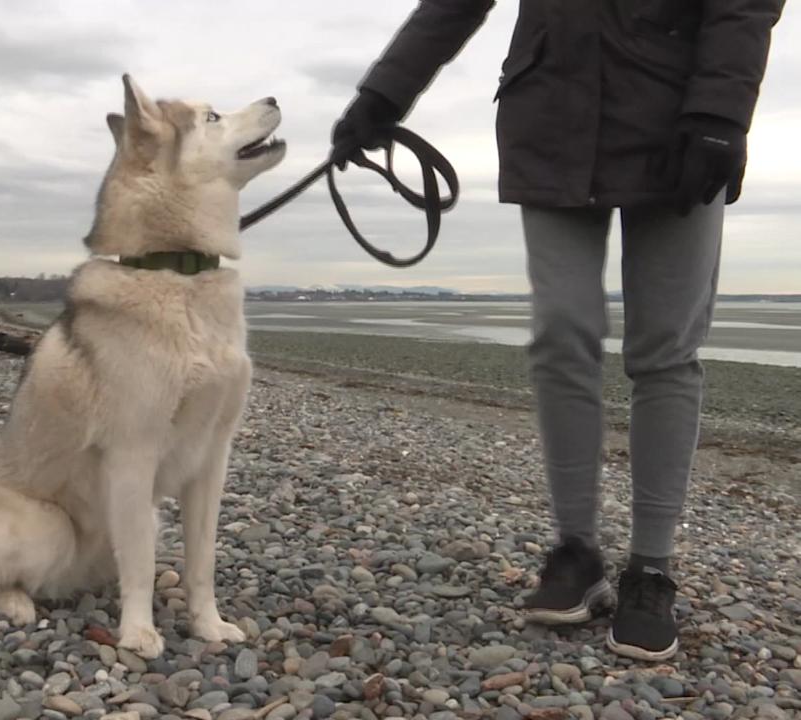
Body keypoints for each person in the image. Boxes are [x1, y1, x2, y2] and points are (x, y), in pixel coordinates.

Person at [330, 0, 784, 661]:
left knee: (664, 348)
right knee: (560, 332)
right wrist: (383, 92)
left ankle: (649, 571)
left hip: (680, 113)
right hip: (548, 114)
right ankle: (575, 552)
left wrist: (720, 111)